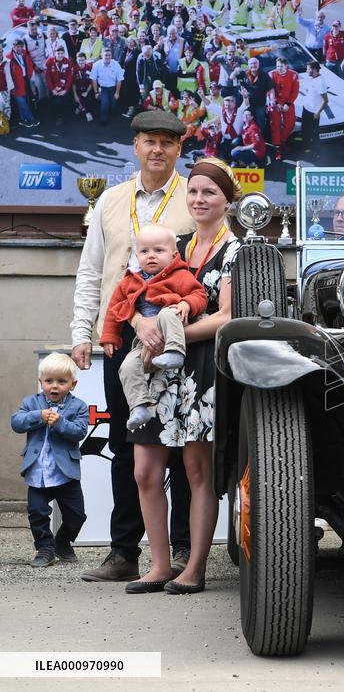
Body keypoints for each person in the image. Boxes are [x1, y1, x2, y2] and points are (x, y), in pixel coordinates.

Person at [71, 110, 196, 583]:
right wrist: (83, 332)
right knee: (127, 444)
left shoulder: (196, 197)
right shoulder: (109, 201)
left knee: (182, 443)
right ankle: (123, 552)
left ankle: (182, 550)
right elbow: (90, 272)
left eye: (167, 142)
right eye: (149, 141)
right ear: (136, 146)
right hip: (120, 335)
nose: (157, 150)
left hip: (178, 338)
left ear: (179, 149)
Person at [126, 157, 242, 594]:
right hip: (157, 368)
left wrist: (173, 335)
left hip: (200, 368)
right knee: (145, 471)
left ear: (227, 200)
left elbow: (228, 317)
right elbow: (132, 297)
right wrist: (143, 328)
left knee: (197, 471)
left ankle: (193, 568)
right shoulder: (170, 243)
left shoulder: (237, 251)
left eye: (209, 192)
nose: (198, 199)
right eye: (193, 191)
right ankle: (158, 565)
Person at [99, 226, 209, 432]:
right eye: (144, 251)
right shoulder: (130, 280)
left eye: (158, 251)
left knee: (168, 312)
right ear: (136, 255)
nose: (151, 256)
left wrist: (186, 304)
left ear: (173, 255)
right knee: (127, 366)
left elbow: (199, 296)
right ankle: (139, 406)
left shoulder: (180, 275)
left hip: (174, 327)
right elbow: (115, 308)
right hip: (145, 339)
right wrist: (110, 336)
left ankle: (175, 352)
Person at [12, 353, 89, 569]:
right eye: (49, 381)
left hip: (65, 473)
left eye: (61, 382)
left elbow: (80, 431)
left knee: (77, 515)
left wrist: (60, 422)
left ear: (72, 384)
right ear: (41, 382)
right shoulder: (31, 402)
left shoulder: (79, 406)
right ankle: (45, 548)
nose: (54, 387)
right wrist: (38, 416)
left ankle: (62, 542)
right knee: (37, 512)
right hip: (38, 471)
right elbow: (16, 423)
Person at [266, 55, 297, 161]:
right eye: (277, 66)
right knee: (275, 125)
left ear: (286, 66)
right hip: (275, 103)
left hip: (288, 103)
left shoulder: (293, 75)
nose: (279, 68)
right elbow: (269, 90)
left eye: (281, 66)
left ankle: (282, 141)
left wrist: (288, 104)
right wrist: (275, 103)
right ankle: (277, 148)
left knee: (290, 124)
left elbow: (295, 92)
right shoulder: (272, 74)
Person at [297, 60, 328, 158]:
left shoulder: (320, 82)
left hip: (313, 113)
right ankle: (306, 148)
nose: (306, 71)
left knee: (314, 133)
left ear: (314, 69)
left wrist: (318, 113)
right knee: (305, 130)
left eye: (308, 69)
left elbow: (325, 100)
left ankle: (316, 152)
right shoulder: (311, 78)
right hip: (306, 109)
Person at [7, 39, 39, 128]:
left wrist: (30, 75)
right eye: (18, 47)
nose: (20, 49)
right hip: (15, 84)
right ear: (13, 47)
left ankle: (22, 120)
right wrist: (11, 86)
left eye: (21, 47)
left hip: (25, 80)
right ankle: (32, 119)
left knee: (24, 102)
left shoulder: (24, 53)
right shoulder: (9, 58)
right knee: (22, 103)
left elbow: (29, 64)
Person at [90, 47, 124, 124]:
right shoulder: (96, 65)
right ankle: (103, 120)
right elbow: (93, 79)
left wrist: (117, 93)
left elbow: (119, 80)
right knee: (105, 103)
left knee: (113, 105)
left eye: (109, 55)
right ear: (102, 56)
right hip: (102, 88)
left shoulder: (116, 64)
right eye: (106, 55)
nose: (108, 57)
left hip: (113, 87)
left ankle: (114, 110)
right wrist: (96, 92)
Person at [44, 46, 74, 126]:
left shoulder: (68, 62)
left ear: (64, 53)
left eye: (62, 53)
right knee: (53, 101)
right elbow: (47, 77)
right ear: (55, 53)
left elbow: (69, 77)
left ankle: (60, 117)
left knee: (61, 102)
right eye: (58, 53)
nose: (60, 55)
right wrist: (52, 89)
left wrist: (66, 90)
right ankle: (55, 115)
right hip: (53, 87)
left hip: (64, 88)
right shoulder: (49, 61)